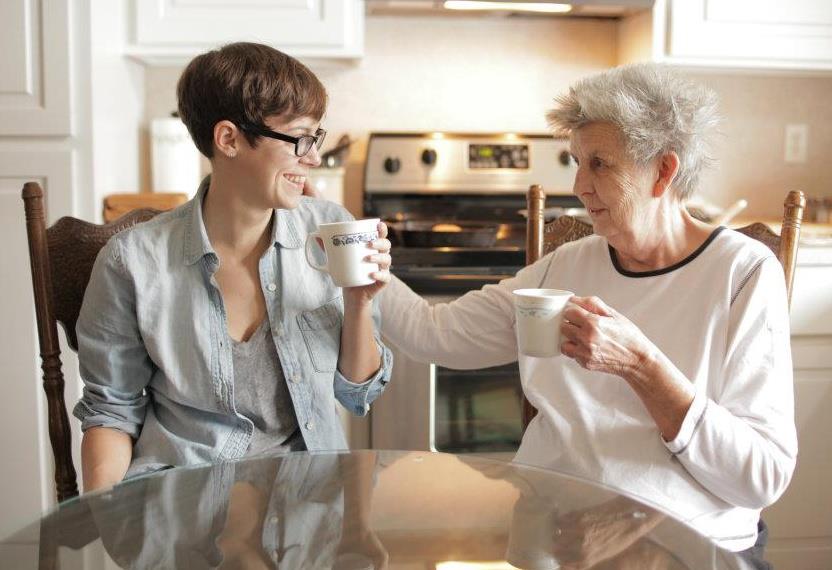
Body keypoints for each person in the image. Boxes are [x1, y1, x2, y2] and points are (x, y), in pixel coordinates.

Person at [379, 63, 796, 553]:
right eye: (576, 161)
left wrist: (641, 365)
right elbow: (435, 333)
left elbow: (761, 476)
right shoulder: (568, 265)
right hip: (553, 529)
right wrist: (353, 256)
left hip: (684, 543)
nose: (579, 184)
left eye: (599, 164)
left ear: (663, 171)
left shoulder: (742, 273)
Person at [74, 42, 393, 491]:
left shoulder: (330, 232)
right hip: (185, 496)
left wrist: (359, 302)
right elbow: (112, 413)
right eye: (300, 138)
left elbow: (358, 393)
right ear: (229, 139)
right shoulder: (132, 262)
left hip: (307, 498)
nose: (314, 158)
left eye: (316, 138)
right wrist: (103, 515)